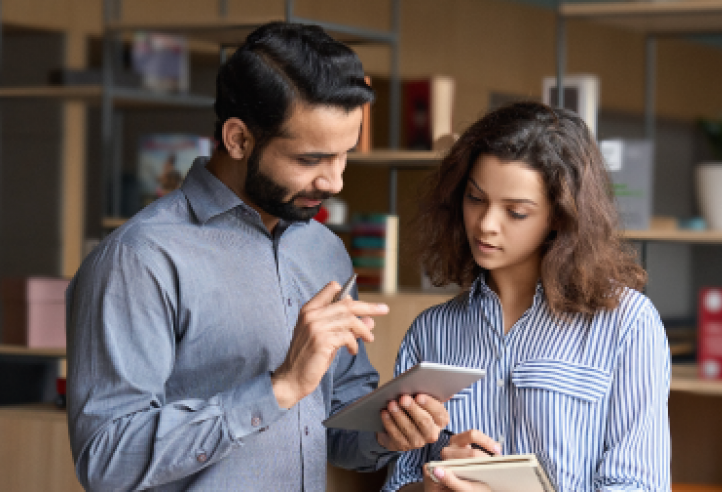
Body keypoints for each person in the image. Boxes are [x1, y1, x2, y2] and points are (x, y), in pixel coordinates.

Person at [66, 22, 449, 491]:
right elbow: (106, 461)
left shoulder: (323, 249)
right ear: (238, 139)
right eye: (311, 160)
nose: (334, 182)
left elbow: (332, 431)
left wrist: (390, 430)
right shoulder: (139, 259)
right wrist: (279, 388)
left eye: (343, 155)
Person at [381, 102, 671, 492]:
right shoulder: (431, 333)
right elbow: (398, 482)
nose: (486, 224)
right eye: (475, 198)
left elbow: (639, 485)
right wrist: (433, 485)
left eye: (515, 212)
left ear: (559, 217)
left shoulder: (628, 323)